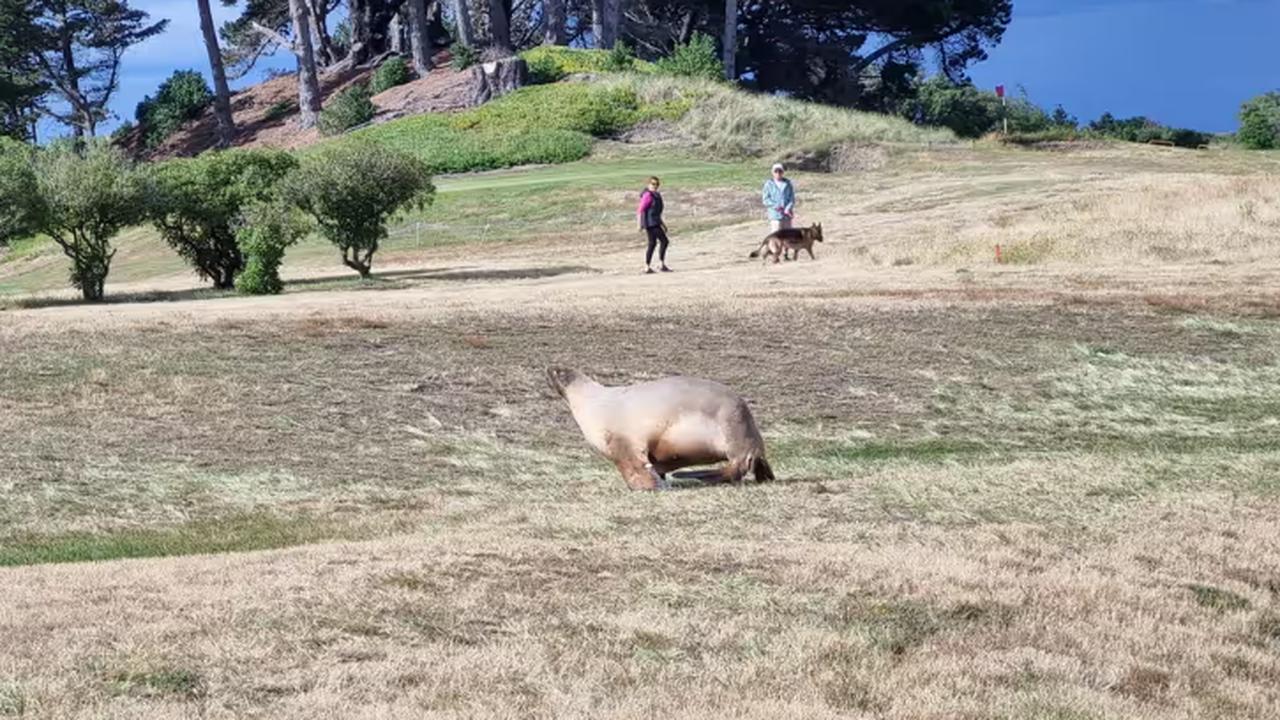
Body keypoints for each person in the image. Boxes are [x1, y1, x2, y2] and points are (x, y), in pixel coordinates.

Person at [637, 176, 671, 274]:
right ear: (648, 184)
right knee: (664, 241)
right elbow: (640, 210)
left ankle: (648, 266)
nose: (655, 186)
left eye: (657, 184)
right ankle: (660, 264)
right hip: (651, 223)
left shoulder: (656, 195)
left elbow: (656, 212)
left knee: (653, 244)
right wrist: (639, 224)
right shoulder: (647, 195)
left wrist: (663, 224)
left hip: (654, 222)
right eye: (653, 184)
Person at [761, 162, 796, 232]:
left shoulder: (788, 183)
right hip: (775, 215)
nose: (778, 173)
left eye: (780, 171)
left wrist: (788, 208)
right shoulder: (768, 184)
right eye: (776, 171)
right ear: (772, 172)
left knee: (788, 236)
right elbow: (765, 200)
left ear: (783, 172)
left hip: (787, 216)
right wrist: (776, 206)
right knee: (777, 236)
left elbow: (792, 198)